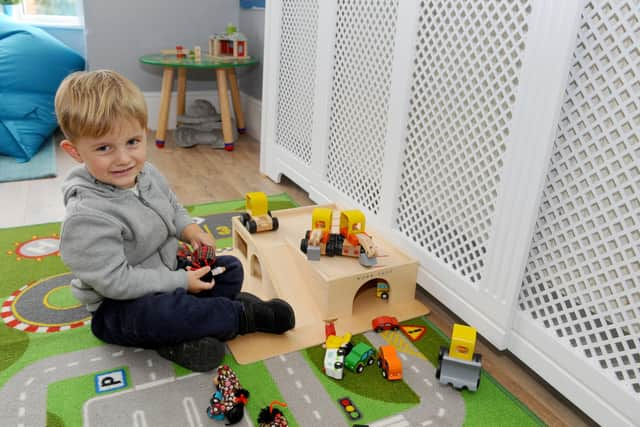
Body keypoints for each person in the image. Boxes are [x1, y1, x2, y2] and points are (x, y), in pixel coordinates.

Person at [54, 70, 295, 371]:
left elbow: (172, 206)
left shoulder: (147, 174)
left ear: (145, 131)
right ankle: (238, 317)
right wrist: (181, 281)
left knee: (229, 268)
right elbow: (117, 282)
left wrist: (190, 231)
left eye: (132, 141)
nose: (123, 158)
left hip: (168, 272)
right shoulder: (86, 217)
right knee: (164, 313)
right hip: (119, 306)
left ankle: (196, 324)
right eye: (104, 148)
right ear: (75, 151)